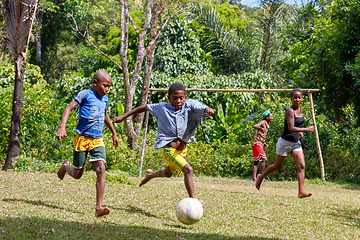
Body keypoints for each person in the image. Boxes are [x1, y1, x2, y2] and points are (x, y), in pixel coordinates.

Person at [112, 83, 214, 198]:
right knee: (188, 169)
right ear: (169, 98)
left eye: (181, 98)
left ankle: (150, 175)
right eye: (175, 98)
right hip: (170, 150)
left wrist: (207, 109)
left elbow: (199, 106)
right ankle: (193, 201)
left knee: (168, 173)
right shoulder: (162, 108)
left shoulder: (189, 105)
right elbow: (144, 107)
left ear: (185, 97)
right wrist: (124, 116)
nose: (178, 101)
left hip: (182, 151)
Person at [56, 69, 119, 217]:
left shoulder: (105, 99)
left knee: (101, 168)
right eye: (105, 86)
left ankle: (98, 207)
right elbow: (69, 108)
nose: (107, 89)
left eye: (109, 86)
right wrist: (62, 127)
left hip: (97, 139)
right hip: (82, 139)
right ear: (95, 83)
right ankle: (66, 166)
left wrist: (114, 133)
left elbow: (104, 115)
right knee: (78, 174)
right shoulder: (85, 94)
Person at [256, 89, 314, 198]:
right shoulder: (290, 111)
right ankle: (261, 177)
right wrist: (306, 129)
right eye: (295, 97)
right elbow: (291, 128)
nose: (297, 99)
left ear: (302, 99)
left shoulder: (300, 111)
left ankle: (301, 192)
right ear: (291, 99)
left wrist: (300, 131)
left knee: (301, 166)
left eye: (299, 97)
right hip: (285, 143)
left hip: (295, 143)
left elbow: (297, 125)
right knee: (277, 166)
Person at [251, 110, 273, 181]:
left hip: (257, 143)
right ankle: (260, 177)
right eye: (271, 116)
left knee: (256, 161)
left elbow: (260, 135)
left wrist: (264, 143)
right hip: (257, 144)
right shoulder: (263, 122)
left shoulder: (266, 124)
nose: (272, 118)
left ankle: (254, 178)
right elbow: (254, 126)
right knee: (264, 159)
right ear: (267, 117)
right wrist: (260, 128)